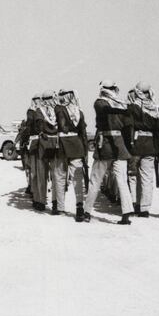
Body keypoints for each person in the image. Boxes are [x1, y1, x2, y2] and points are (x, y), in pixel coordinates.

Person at [81, 80, 135, 225]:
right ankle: (126, 213)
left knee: (95, 180)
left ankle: (87, 212)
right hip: (120, 145)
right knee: (122, 181)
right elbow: (128, 126)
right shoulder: (121, 104)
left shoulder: (100, 102)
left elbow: (104, 111)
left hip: (105, 144)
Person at [126, 82, 159, 218]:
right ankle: (145, 208)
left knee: (132, 176)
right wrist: (158, 150)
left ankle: (133, 204)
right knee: (147, 178)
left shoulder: (133, 106)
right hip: (151, 145)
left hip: (136, 144)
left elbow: (129, 126)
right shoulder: (156, 108)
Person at [53, 89, 88, 220]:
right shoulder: (79, 112)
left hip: (62, 145)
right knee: (77, 178)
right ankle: (79, 207)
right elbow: (83, 134)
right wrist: (85, 152)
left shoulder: (59, 109)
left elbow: (61, 126)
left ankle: (60, 207)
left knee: (60, 176)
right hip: (77, 146)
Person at [35, 91, 59, 213]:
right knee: (50, 174)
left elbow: (38, 126)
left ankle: (47, 202)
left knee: (47, 174)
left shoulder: (41, 111)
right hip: (51, 143)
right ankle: (49, 202)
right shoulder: (55, 110)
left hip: (47, 144)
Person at [19, 94, 41, 199]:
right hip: (37, 141)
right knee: (32, 166)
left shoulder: (32, 112)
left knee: (31, 166)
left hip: (33, 141)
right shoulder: (37, 111)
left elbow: (28, 126)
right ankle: (33, 187)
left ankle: (32, 187)